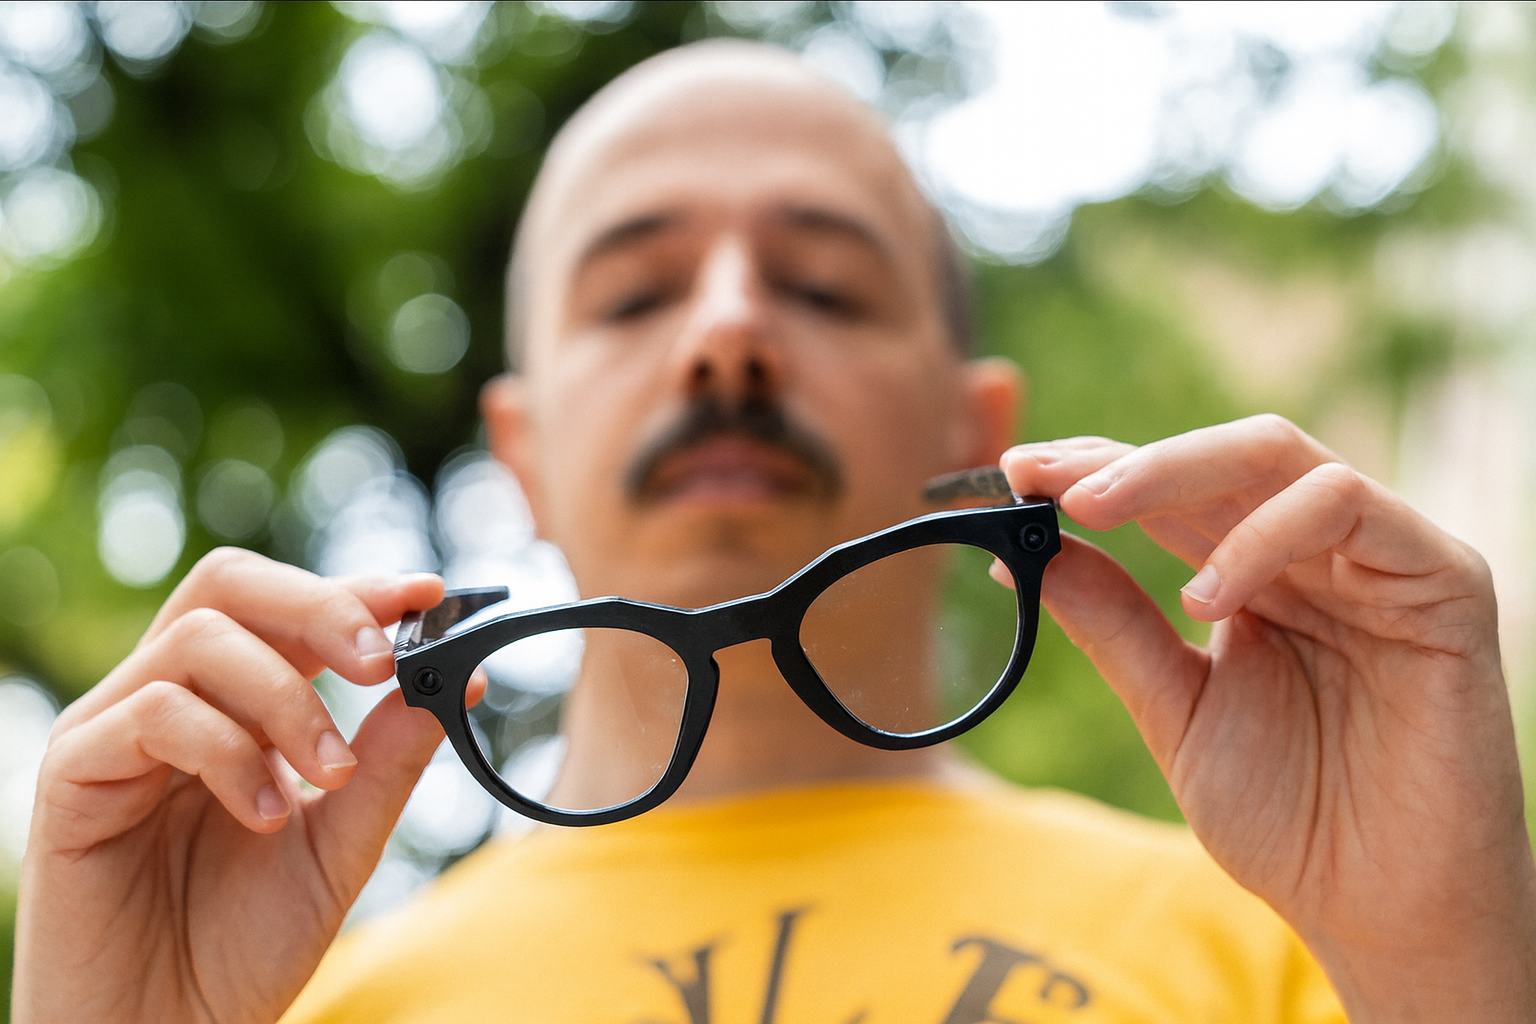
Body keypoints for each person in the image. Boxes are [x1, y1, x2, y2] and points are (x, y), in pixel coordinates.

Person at [13, 39, 1535, 1023]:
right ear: (522, 458)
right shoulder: (304, 1007)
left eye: (819, 285)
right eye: (633, 292)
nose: (728, 331)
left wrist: (1445, 965)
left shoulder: (1300, 944)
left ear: (969, 423)